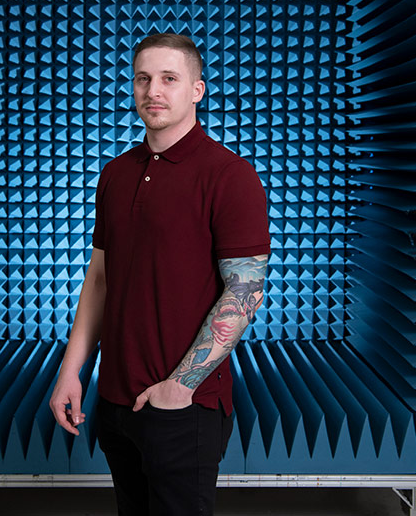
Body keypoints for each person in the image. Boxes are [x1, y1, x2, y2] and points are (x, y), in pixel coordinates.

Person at [49, 32, 270, 515]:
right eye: (143, 78)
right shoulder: (115, 173)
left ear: (197, 89)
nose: (154, 91)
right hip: (115, 401)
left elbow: (246, 290)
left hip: (184, 408)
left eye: (170, 78)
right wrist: (72, 372)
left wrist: (182, 386)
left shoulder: (230, 175)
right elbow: (100, 279)